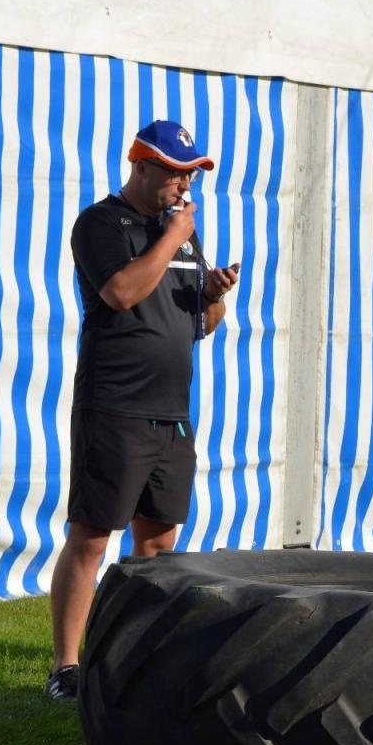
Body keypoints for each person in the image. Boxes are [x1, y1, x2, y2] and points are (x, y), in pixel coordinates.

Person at [47, 120, 240, 702]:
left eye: (192, 173)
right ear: (142, 166)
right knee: (93, 538)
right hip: (115, 406)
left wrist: (212, 297)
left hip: (172, 413)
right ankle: (66, 668)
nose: (184, 184)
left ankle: (132, 657)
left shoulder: (178, 233)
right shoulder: (101, 224)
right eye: (176, 172)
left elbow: (199, 328)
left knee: (158, 545)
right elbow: (122, 293)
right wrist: (174, 234)